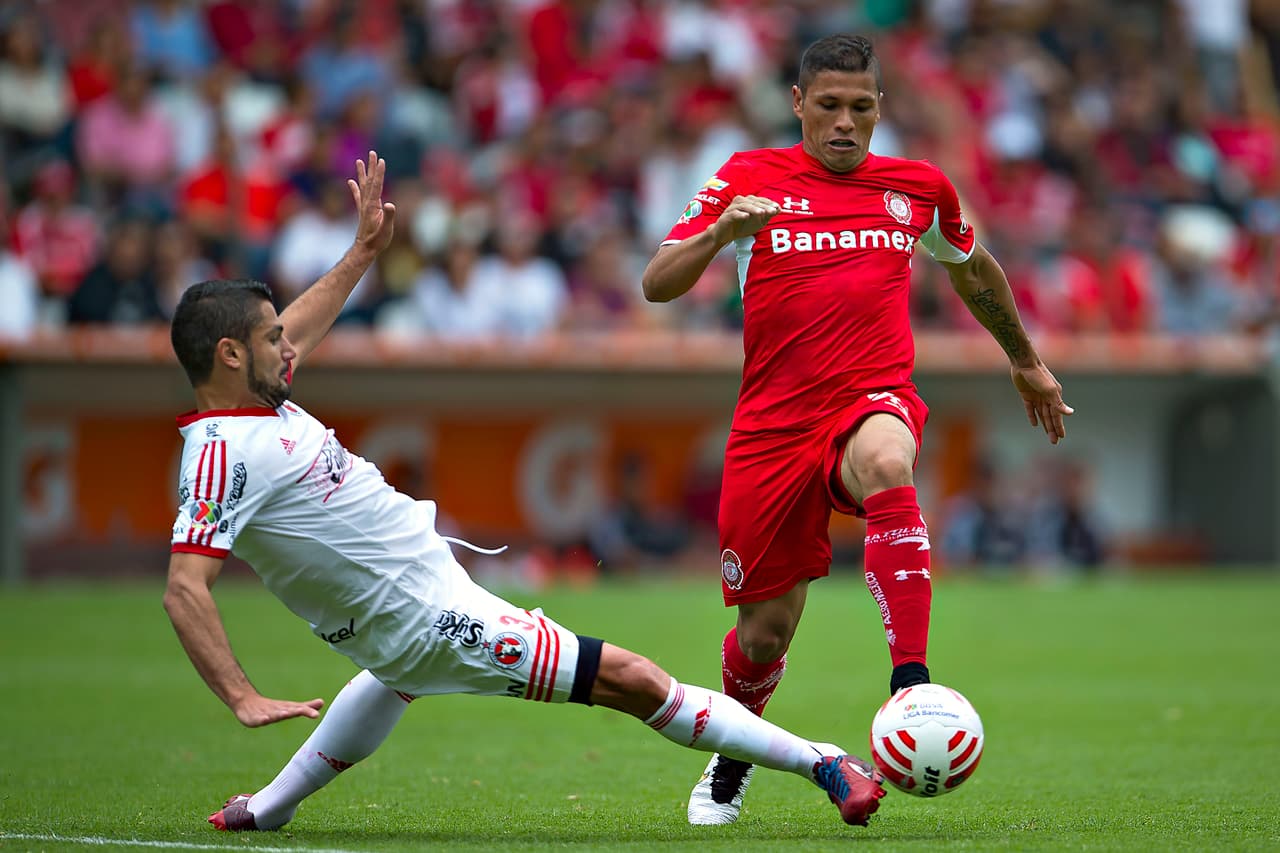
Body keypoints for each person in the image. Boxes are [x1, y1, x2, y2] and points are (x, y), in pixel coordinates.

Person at [163, 151, 887, 834]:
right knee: (634, 680)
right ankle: (821, 759)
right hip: (434, 617)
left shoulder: (253, 406)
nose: (288, 344)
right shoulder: (226, 453)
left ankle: (269, 807)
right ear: (231, 354)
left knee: (393, 676)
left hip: (413, 609)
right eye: (270, 338)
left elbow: (300, 327)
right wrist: (241, 695)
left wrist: (361, 255)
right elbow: (185, 586)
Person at [640, 35, 1074, 825]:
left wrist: (1024, 359)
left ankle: (911, 678)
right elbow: (656, 284)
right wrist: (719, 232)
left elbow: (975, 271)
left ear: (880, 109)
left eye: (862, 107)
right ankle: (737, 747)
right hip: (772, 425)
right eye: (830, 105)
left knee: (888, 452)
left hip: (870, 398)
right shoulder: (747, 177)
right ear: (799, 103)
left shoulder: (917, 188)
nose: (846, 123)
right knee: (764, 638)